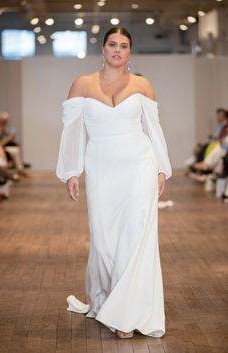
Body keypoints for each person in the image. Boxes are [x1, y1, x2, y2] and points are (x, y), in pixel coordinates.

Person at [56, 27, 172, 339]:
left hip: (139, 165)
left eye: (123, 46)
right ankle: (107, 299)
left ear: (130, 51)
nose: (117, 50)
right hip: (101, 167)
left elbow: (153, 128)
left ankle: (127, 314)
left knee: (135, 237)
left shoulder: (142, 85)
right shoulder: (82, 84)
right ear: (103, 48)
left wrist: (161, 168)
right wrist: (71, 171)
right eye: (112, 44)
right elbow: (72, 132)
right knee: (104, 239)